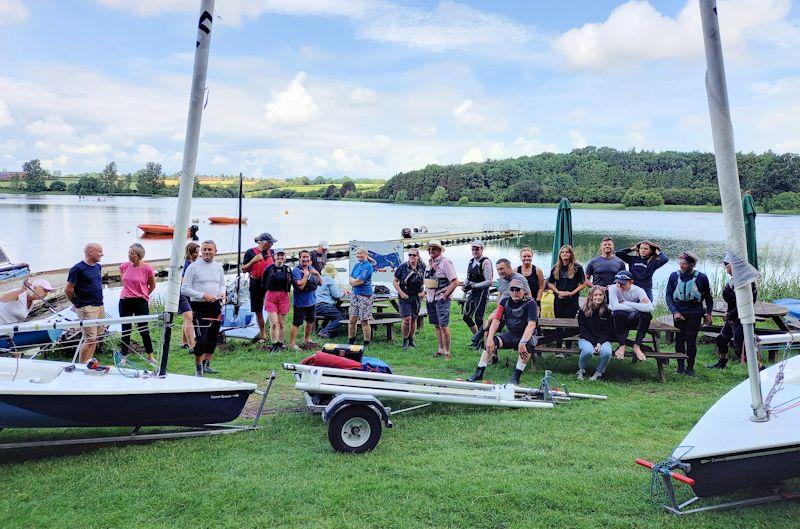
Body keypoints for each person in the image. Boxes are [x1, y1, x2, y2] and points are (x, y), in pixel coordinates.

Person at [467, 279, 538, 385]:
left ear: (523, 290)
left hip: (527, 335)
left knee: (527, 345)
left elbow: (531, 325)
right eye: (512, 289)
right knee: (492, 343)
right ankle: (479, 372)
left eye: (517, 290)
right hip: (511, 334)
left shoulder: (531, 303)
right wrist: (490, 338)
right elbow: (496, 320)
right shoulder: (504, 302)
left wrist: (523, 342)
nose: (514, 292)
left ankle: (516, 376)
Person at [665, 251, 714, 376]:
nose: (681, 266)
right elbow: (669, 295)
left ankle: (690, 368)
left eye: (685, 263)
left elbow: (708, 297)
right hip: (679, 311)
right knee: (679, 340)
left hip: (695, 311)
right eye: (680, 262)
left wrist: (708, 313)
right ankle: (680, 368)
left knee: (691, 340)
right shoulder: (673, 276)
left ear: (692, 264)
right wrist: (675, 311)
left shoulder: (701, 277)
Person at [181, 240, 226, 376]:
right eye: (204, 249)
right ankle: (198, 367)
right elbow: (184, 289)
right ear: (201, 251)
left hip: (215, 305)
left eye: (210, 250)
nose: (207, 252)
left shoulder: (218, 266)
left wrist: (223, 292)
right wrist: (203, 295)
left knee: (213, 337)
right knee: (202, 339)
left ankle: (207, 364)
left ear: (215, 252)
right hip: (199, 306)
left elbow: (222, 284)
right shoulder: (193, 267)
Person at [469, 259, 531, 349]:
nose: (499, 272)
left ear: (509, 268)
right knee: (489, 331)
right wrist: (499, 307)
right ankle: (491, 356)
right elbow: (500, 293)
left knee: (492, 317)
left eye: (502, 269)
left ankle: (479, 333)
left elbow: (528, 295)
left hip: (515, 310)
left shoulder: (519, 278)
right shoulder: (502, 279)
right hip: (503, 309)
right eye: (498, 269)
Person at [708, 256, 757, 369]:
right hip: (733, 317)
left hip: (742, 317)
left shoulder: (745, 281)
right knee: (721, 339)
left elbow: (747, 302)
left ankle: (754, 368)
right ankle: (722, 362)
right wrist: (729, 313)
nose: (726, 269)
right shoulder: (735, 279)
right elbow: (735, 301)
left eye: (727, 266)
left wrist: (730, 314)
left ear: (733, 265)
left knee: (740, 346)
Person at [65, 243, 105, 363]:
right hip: (86, 307)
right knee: (90, 339)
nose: (102, 254)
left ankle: (89, 363)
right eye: (100, 251)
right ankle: (81, 366)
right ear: (90, 252)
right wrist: (77, 303)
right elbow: (68, 289)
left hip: (99, 305)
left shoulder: (98, 267)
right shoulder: (77, 269)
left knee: (96, 338)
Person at [118, 243, 156, 365]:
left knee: (143, 330)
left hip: (140, 302)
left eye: (132, 253)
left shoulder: (147, 269)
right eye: (129, 253)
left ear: (139, 255)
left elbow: (152, 285)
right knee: (125, 330)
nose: (129, 255)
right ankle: (124, 356)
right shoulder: (124, 266)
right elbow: (123, 282)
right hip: (125, 301)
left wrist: (144, 295)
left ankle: (150, 356)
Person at [607, 270, 653, 362]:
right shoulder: (612, 288)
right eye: (618, 283)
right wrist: (638, 307)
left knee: (646, 315)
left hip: (632, 319)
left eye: (623, 284)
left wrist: (627, 303)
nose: (619, 286)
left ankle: (637, 346)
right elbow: (616, 307)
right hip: (617, 320)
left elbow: (650, 308)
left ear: (631, 282)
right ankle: (622, 345)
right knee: (619, 313)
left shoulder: (638, 290)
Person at [424, 240, 458, 359]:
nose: (431, 251)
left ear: (439, 250)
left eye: (434, 249)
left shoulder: (446, 262)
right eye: (429, 249)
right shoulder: (429, 263)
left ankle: (447, 352)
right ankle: (440, 349)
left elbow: (454, 281)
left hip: (441, 297)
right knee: (436, 325)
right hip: (430, 297)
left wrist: (445, 295)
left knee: (443, 325)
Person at [241, 233, 276, 344]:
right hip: (255, 283)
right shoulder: (250, 252)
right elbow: (243, 269)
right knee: (258, 310)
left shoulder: (272, 253)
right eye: (270, 243)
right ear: (264, 242)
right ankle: (263, 334)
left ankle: (274, 332)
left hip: (269, 284)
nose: (271, 245)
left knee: (272, 308)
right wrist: (253, 261)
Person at [577, 286, 616, 381]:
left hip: (603, 340)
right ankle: (581, 369)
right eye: (595, 295)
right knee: (588, 351)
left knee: (607, 352)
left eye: (600, 295)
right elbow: (583, 330)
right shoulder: (583, 311)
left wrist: (599, 343)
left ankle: (599, 372)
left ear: (604, 297)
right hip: (586, 339)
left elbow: (609, 331)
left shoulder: (608, 312)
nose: (598, 297)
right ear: (591, 296)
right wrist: (594, 343)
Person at [393, 248, 426, 350]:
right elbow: (395, 281)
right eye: (410, 255)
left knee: (413, 319)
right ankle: (405, 340)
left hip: (417, 296)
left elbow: (429, 280)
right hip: (405, 296)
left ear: (418, 257)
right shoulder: (402, 267)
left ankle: (411, 339)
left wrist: (424, 292)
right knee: (407, 319)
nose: (412, 257)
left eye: (414, 255)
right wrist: (401, 293)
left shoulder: (422, 267)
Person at [290, 250, 322, 350]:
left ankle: (306, 339)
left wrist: (317, 273)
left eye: (307, 257)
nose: (305, 259)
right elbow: (300, 286)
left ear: (310, 259)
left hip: (312, 301)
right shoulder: (296, 270)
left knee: (310, 321)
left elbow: (320, 283)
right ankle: (292, 343)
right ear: (299, 259)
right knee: (297, 323)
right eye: (303, 257)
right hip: (300, 302)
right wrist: (306, 275)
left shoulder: (312, 268)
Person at [262, 248, 292, 352]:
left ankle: (280, 344)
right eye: (278, 255)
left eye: (282, 255)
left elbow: (290, 283)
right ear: (274, 257)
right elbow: (263, 284)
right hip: (271, 297)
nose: (280, 257)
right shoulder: (268, 269)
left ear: (285, 257)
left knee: (281, 324)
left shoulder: (287, 270)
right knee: (274, 323)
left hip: (284, 297)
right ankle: (274, 345)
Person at [462, 239, 493, 338]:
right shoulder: (471, 261)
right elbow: (468, 277)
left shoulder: (485, 262)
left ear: (482, 249)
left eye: (477, 249)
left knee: (479, 318)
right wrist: (465, 285)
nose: (475, 251)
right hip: (473, 291)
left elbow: (489, 281)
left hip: (482, 292)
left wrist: (473, 286)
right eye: (473, 249)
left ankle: (482, 342)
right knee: (466, 317)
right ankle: (477, 337)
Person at [547, 245, 586, 318]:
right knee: (558, 322)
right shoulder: (555, 267)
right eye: (562, 252)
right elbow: (550, 283)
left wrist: (572, 293)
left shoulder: (578, 268)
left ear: (571, 254)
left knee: (570, 323)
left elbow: (583, 284)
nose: (564, 254)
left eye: (567, 252)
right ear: (560, 254)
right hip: (559, 299)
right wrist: (558, 292)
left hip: (572, 300)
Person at [348, 247, 375, 347]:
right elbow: (350, 278)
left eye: (361, 253)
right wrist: (354, 282)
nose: (359, 255)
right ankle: (351, 340)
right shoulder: (356, 265)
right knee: (352, 319)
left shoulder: (368, 266)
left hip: (365, 295)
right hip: (354, 294)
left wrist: (354, 282)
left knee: (364, 320)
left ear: (366, 254)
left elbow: (360, 281)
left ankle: (366, 342)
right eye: (357, 254)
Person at [316, 262, 346, 339]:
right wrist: (344, 292)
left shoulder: (319, 278)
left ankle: (325, 329)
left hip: (315, 306)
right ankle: (325, 331)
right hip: (324, 306)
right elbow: (337, 295)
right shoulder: (330, 280)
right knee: (341, 317)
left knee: (335, 312)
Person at [179, 242, 199, 352]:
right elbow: (181, 280)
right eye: (196, 252)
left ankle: (184, 342)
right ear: (190, 252)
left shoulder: (196, 263)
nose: (198, 254)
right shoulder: (184, 264)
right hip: (182, 293)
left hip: (191, 293)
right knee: (189, 317)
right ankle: (192, 346)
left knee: (187, 318)